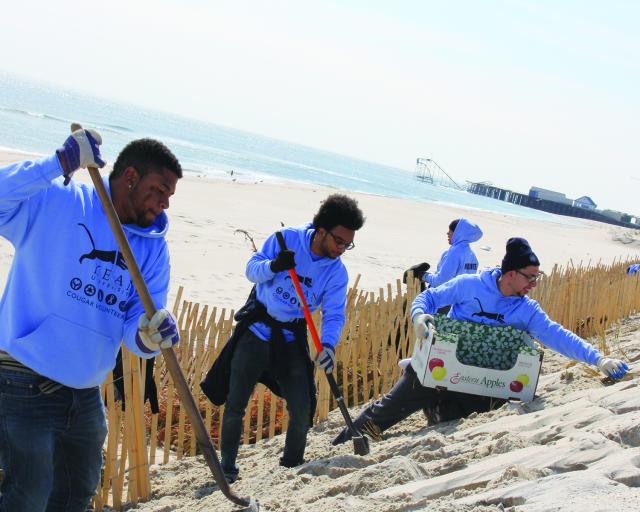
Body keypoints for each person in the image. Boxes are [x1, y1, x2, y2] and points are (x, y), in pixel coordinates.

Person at [0, 129, 182, 512]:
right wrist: (57, 165)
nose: (164, 204)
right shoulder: (60, 201)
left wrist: (150, 335)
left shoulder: (152, 248)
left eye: (169, 196)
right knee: (28, 494)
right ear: (130, 177)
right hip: (22, 380)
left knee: (76, 492)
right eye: (159, 190)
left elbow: (137, 329)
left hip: (84, 395)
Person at [333, 237, 629, 445]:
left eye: (537, 277)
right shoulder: (469, 285)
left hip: (483, 380)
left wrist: (600, 360)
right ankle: (342, 446)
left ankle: (439, 408)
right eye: (530, 277)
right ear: (510, 273)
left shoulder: (526, 309)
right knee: (383, 415)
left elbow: (556, 335)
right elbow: (429, 297)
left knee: (475, 409)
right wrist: (420, 316)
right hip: (440, 368)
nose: (534, 284)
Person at [201, 194, 365, 482]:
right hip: (257, 330)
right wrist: (274, 266)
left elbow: (334, 314)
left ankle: (291, 466)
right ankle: (227, 467)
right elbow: (251, 270)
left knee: (302, 406)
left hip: (291, 337)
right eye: (338, 241)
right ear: (322, 231)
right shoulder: (285, 239)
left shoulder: (336, 273)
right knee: (236, 401)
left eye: (347, 244)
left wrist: (328, 345)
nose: (342, 249)